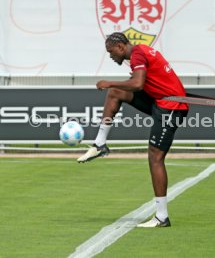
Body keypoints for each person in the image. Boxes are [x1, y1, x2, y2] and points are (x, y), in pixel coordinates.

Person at [77, 32, 189, 227]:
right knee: (116, 93)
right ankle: (99, 144)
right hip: (159, 102)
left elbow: (137, 84)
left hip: (171, 107)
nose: (111, 57)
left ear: (121, 46)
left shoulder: (138, 53)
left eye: (111, 52)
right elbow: (145, 83)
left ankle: (162, 217)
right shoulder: (139, 53)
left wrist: (108, 82)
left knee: (155, 157)